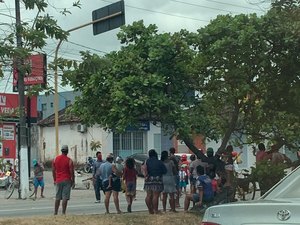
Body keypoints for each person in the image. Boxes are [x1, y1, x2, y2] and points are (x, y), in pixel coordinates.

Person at [52, 145, 75, 215]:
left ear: (61, 151)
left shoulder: (55, 159)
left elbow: (53, 171)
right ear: (67, 151)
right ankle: (63, 212)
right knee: (65, 197)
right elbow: (71, 172)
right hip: (67, 180)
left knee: (58, 197)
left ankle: (55, 212)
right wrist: (73, 181)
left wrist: (55, 179)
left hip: (58, 180)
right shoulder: (69, 160)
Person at [144, 149, 167, 214]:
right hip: (157, 179)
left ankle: (150, 210)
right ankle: (156, 210)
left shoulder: (146, 161)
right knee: (155, 195)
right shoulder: (159, 162)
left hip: (148, 179)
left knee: (148, 195)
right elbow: (165, 171)